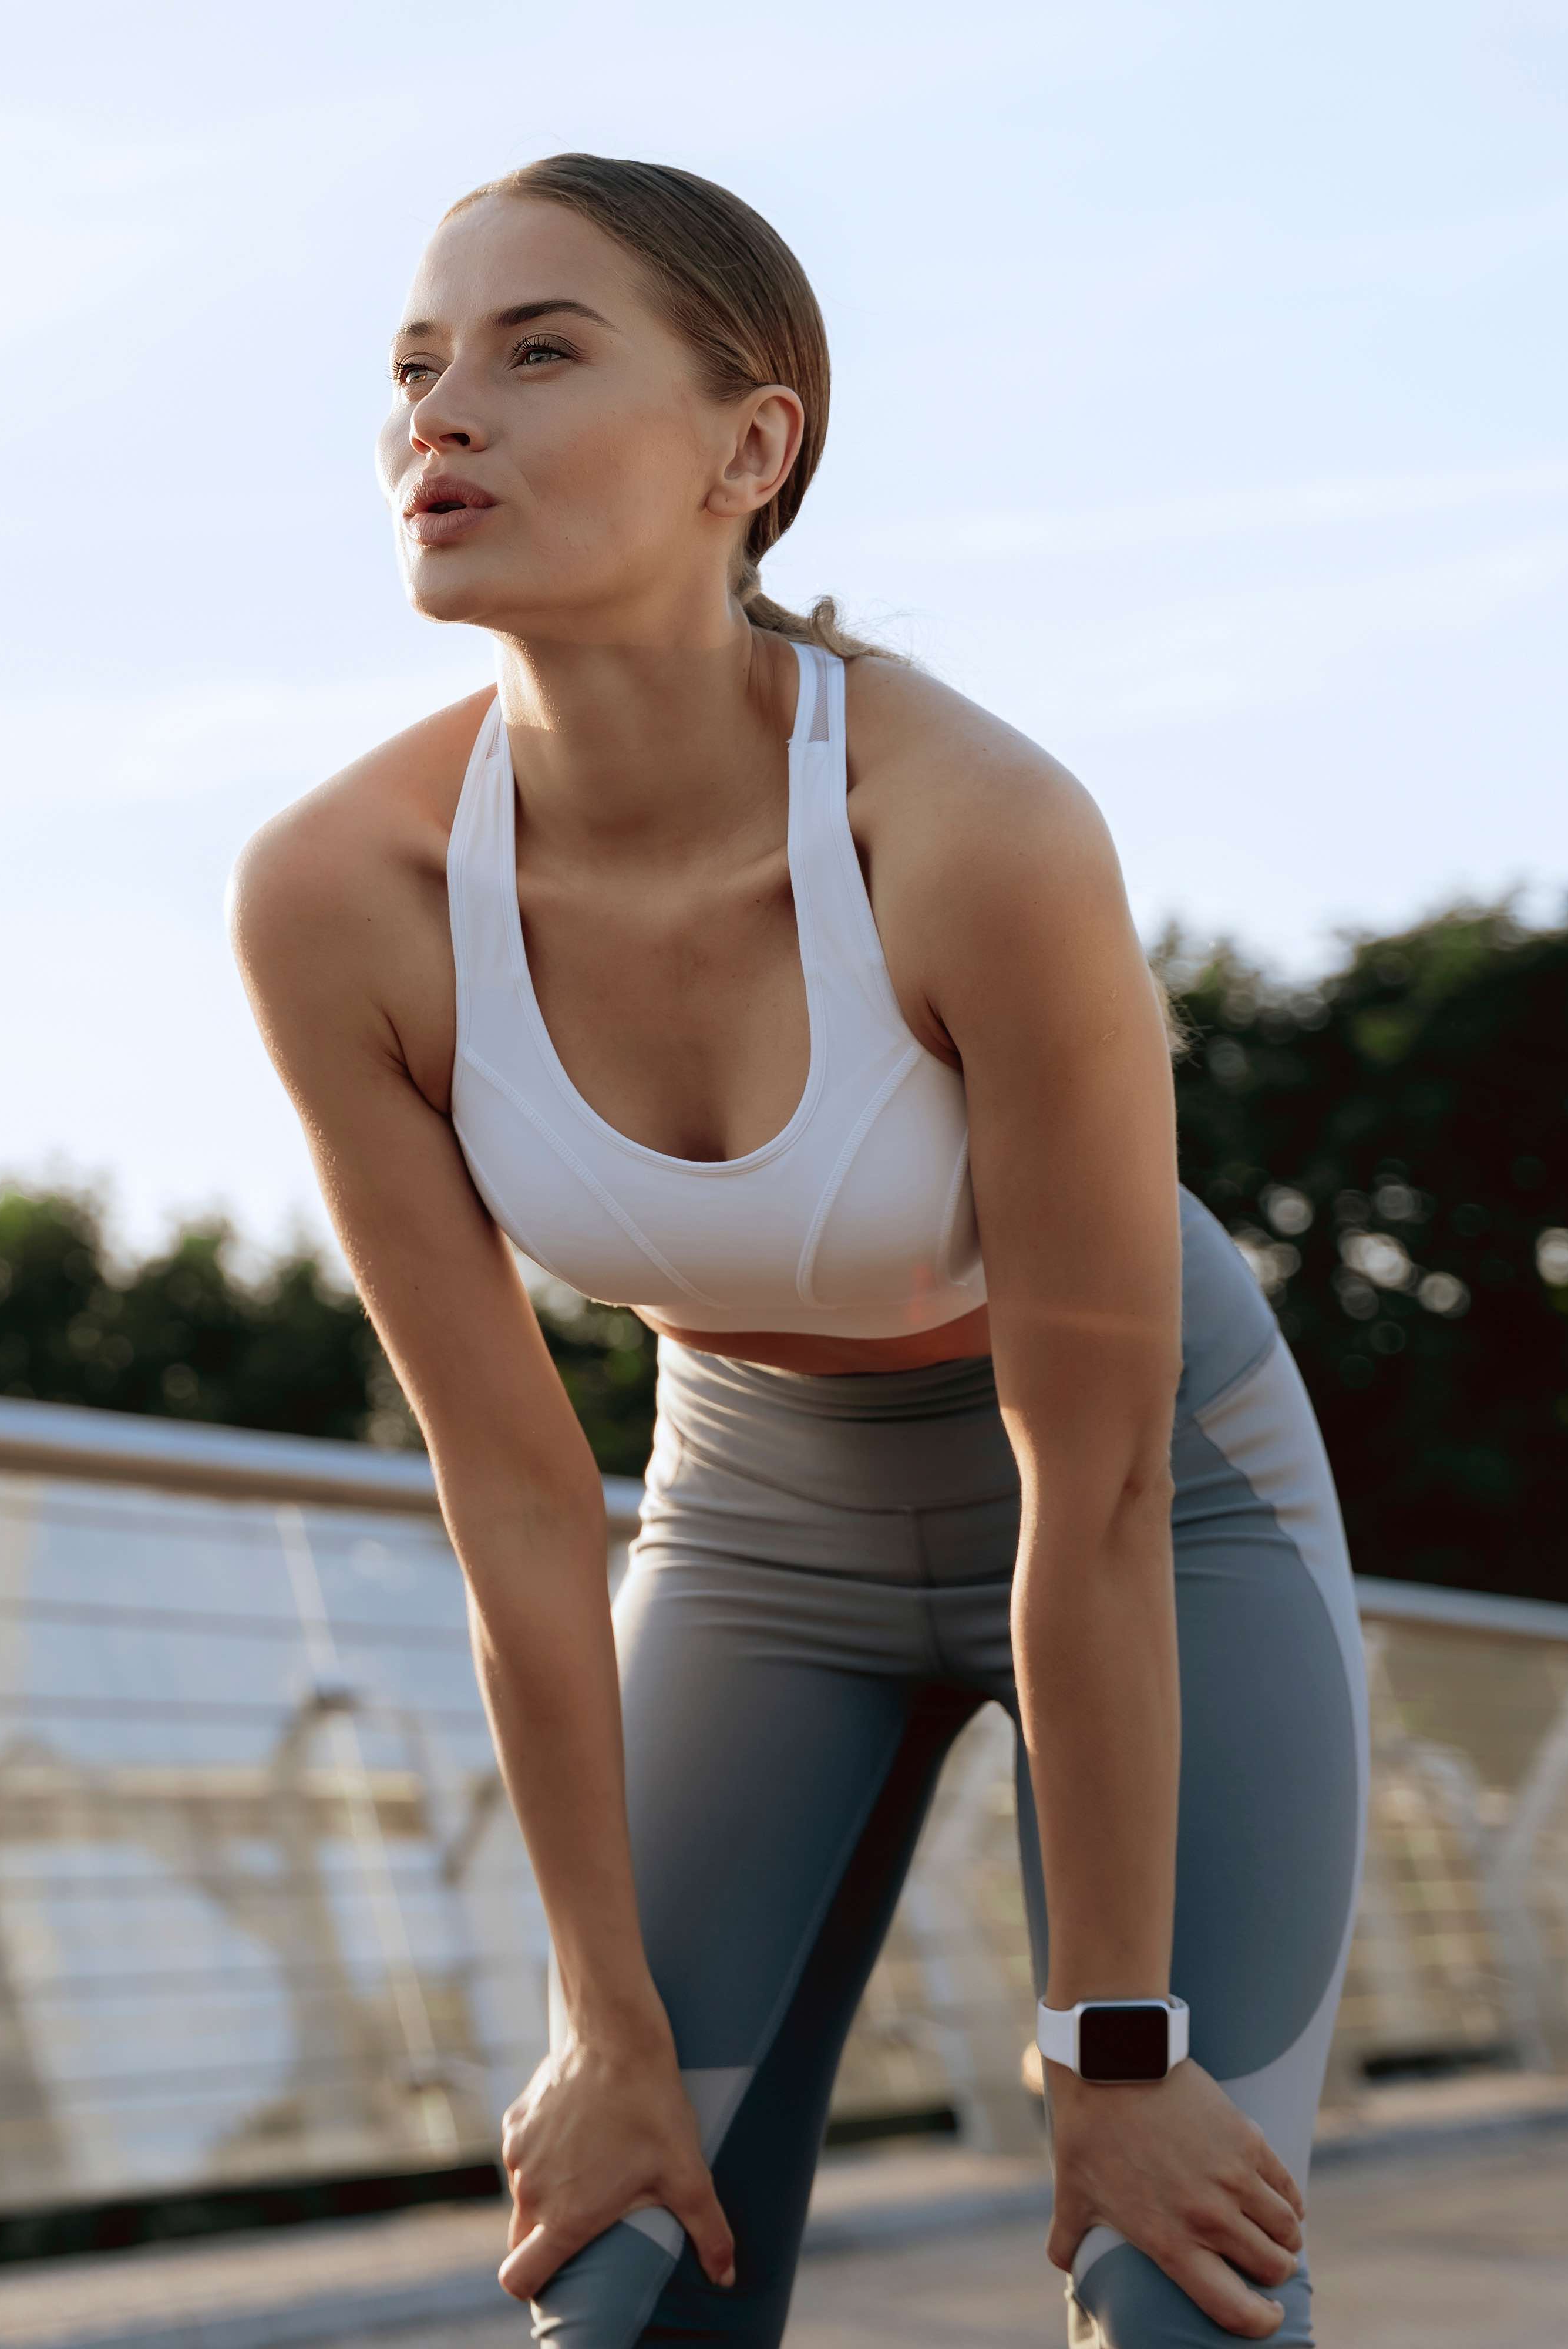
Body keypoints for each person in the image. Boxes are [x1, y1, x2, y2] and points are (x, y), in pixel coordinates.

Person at [226, 155, 1367, 2347]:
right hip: (752, 1523)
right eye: (413, 365)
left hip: (1165, 1502)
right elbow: (518, 1501)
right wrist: (598, 2023)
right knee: (622, 2273)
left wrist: (1107, 2051)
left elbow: (1100, 1483)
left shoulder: (975, 832)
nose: (441, 415)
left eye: (539, 350)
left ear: (752, 450)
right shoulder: (337, 896)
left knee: (1180, 2284)